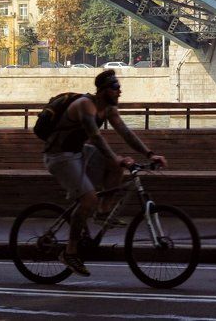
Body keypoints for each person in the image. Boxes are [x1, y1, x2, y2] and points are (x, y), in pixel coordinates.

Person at [43, 68, 167, 277]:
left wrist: (149, 154)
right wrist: (116, 157)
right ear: (102, 91)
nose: (120, 91)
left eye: (119, 87)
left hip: (78, 152)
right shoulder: (85, 105)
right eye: (115, 87)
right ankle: (70, 252)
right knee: (89, 199)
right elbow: (96, 137)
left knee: (115, 166)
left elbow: (125, 132)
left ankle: (102, 212)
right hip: (59, 156)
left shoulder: (108, 109)